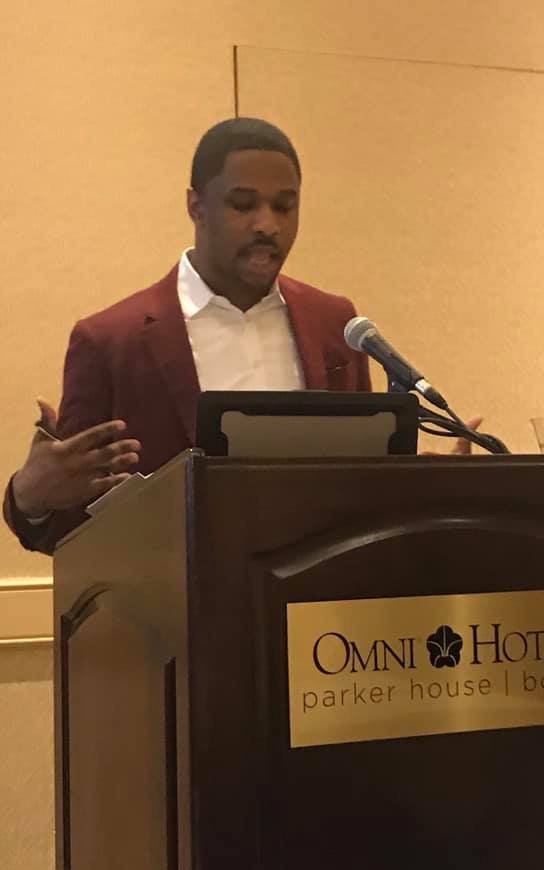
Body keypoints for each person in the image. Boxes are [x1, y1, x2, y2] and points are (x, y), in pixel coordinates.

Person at [3, 117, 371, 555]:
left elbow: (366, 482)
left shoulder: (335, 325)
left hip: (317, 592)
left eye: (284, 206)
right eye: (243, 205)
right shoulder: (109, 342)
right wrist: (30, 498)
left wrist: (425, 483)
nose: (267, 225)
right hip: (169, 594)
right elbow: (74, 527)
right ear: (196, 206)